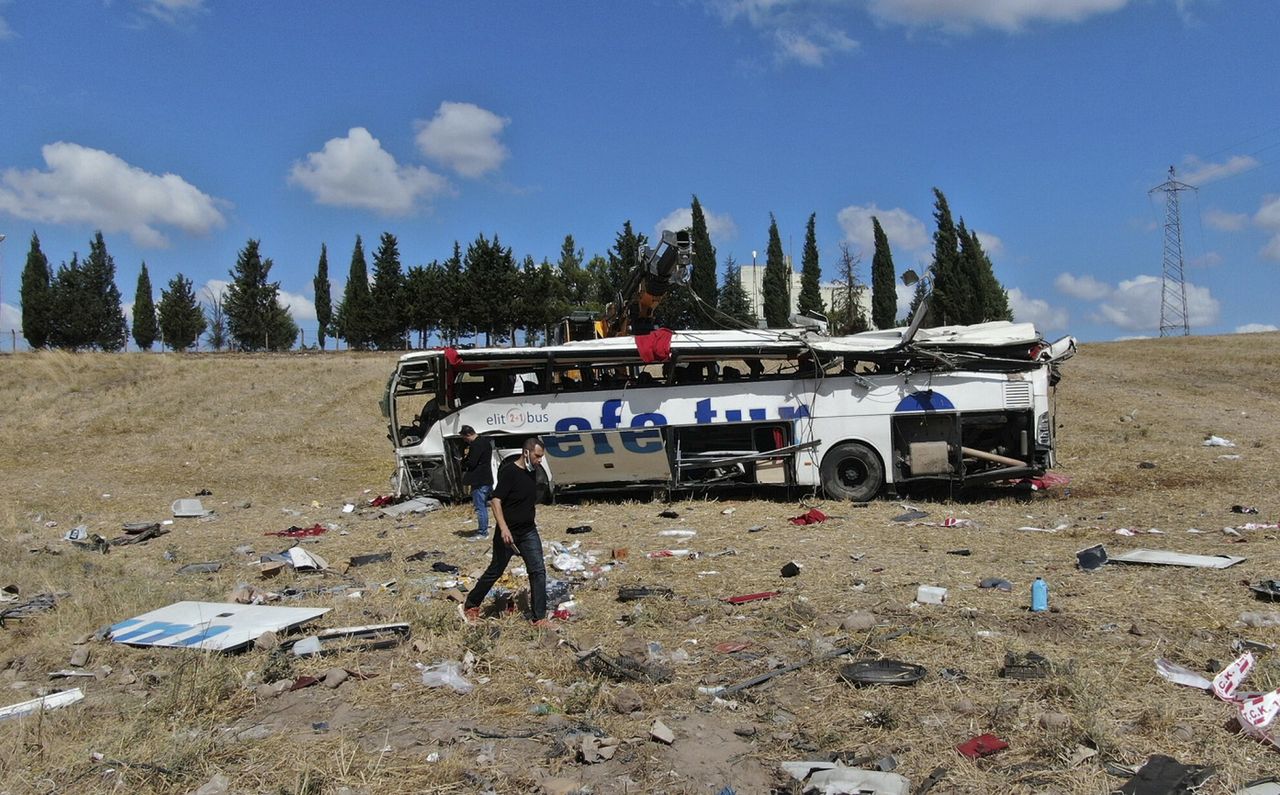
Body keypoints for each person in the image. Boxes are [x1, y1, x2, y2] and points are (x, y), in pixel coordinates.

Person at [459, 438, 551, 628]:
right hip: (508, 533)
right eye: (537, 456)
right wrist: (504, 528)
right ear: (526, 453)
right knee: (496, 570)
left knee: (538, 571)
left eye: (541, 457)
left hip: (528, 531)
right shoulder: (510, 472)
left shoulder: (533, 473)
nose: (539, 460)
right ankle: (471, 604)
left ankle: (539, 618)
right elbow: (496, 501)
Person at [459, 425, 493, 538]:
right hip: (487, 478)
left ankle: (482, 532)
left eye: (464, 438)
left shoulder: (476, 445)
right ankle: (484, 528)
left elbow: (472, 463)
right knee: (485, 505)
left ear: (468, 435)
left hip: (479, 480)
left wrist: (464, 462)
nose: (465, 441)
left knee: (480, 507)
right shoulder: (485, 442)